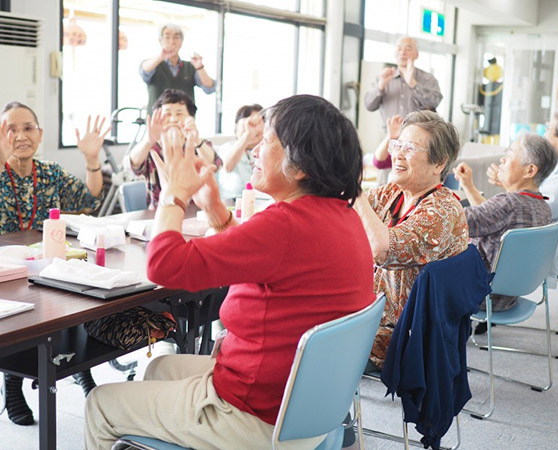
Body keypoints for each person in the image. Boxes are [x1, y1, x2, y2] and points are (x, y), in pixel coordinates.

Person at [84, 94, 375, 450]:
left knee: (100, 405)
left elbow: (164, 265)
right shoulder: (341, 218)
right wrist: (216, 209)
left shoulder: (283, 225)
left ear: (299, 167)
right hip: (305, 405)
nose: (255, 149)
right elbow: (263, 258)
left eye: (266, 141)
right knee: (159, 369)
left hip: (253, 415)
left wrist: (173, 195)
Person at [0, 101, 110, 426]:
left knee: (76, 296)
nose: (21, 135)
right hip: (7, 274)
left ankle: (81, 370)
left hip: (49, 267)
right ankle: (12, 381)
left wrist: (91, 160)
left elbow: (90, 200)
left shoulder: (50, 173)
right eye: (11, 129)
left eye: (28, 128)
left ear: (40, 133)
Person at [353, 110, 468, 369]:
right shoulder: (392, 193)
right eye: (398, 145)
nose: (398, 155)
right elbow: (341, 213)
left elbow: (384, 250)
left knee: (304, 337)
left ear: (439, 163)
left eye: (410, 148)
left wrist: (354, 190)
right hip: (368, 314)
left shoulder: (442, 210)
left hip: (406, 334)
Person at [488, 104, 558, 284]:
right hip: (540, 239)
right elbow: (534, 200)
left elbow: (537, 210)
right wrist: (509, 183)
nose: (545, 133)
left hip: (541, 250)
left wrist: (510, 185)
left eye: (549, 128)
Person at [454, 133, 558, 313]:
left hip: (478, 294)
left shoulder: (508, 204)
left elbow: (458, 223)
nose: (502, 159)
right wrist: (468, 186)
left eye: (509, 155)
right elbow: (488, 218)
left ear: (530, 171)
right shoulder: (543, 207)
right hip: (507, 297)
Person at [123, 89, 221, 209]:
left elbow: (215, 165)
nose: (173, 119)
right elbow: (130, 166)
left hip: (196, 212)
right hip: (161, 212)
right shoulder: (152, 148)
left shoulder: (198, 145)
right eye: (167, 114)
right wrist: (148, 140)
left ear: (191, 118)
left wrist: (196, 140)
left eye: (179, 114)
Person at [364, 37, 442, 127]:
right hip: (389, 135)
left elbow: (434, 103)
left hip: (418, 135)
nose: (402, 52)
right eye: (399, 48)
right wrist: (381, 86)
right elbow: (369, 106)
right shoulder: (383, 77)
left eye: (408, 48)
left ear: (417, 54)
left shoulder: (428, 78)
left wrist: (413, 84)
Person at [140, 23, 215, 113]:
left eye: (176, 37)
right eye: (167, 37)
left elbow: (209, 88)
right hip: (158, 122)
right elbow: (144, 70)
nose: (172, 41)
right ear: (160, 41)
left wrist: (199, 67)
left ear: (181, 41)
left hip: (184, 122)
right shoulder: (154, 64)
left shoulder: (191, 67)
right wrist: (160, 57)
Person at [217, 104, 264, 200]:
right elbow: (228, 166)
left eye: (255, 124)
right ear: (236, 127)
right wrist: (247, 135)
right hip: (231, 203)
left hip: (260, 202)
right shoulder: (228, 147)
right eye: (245, 125)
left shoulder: (267, 151)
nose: (252, 129)